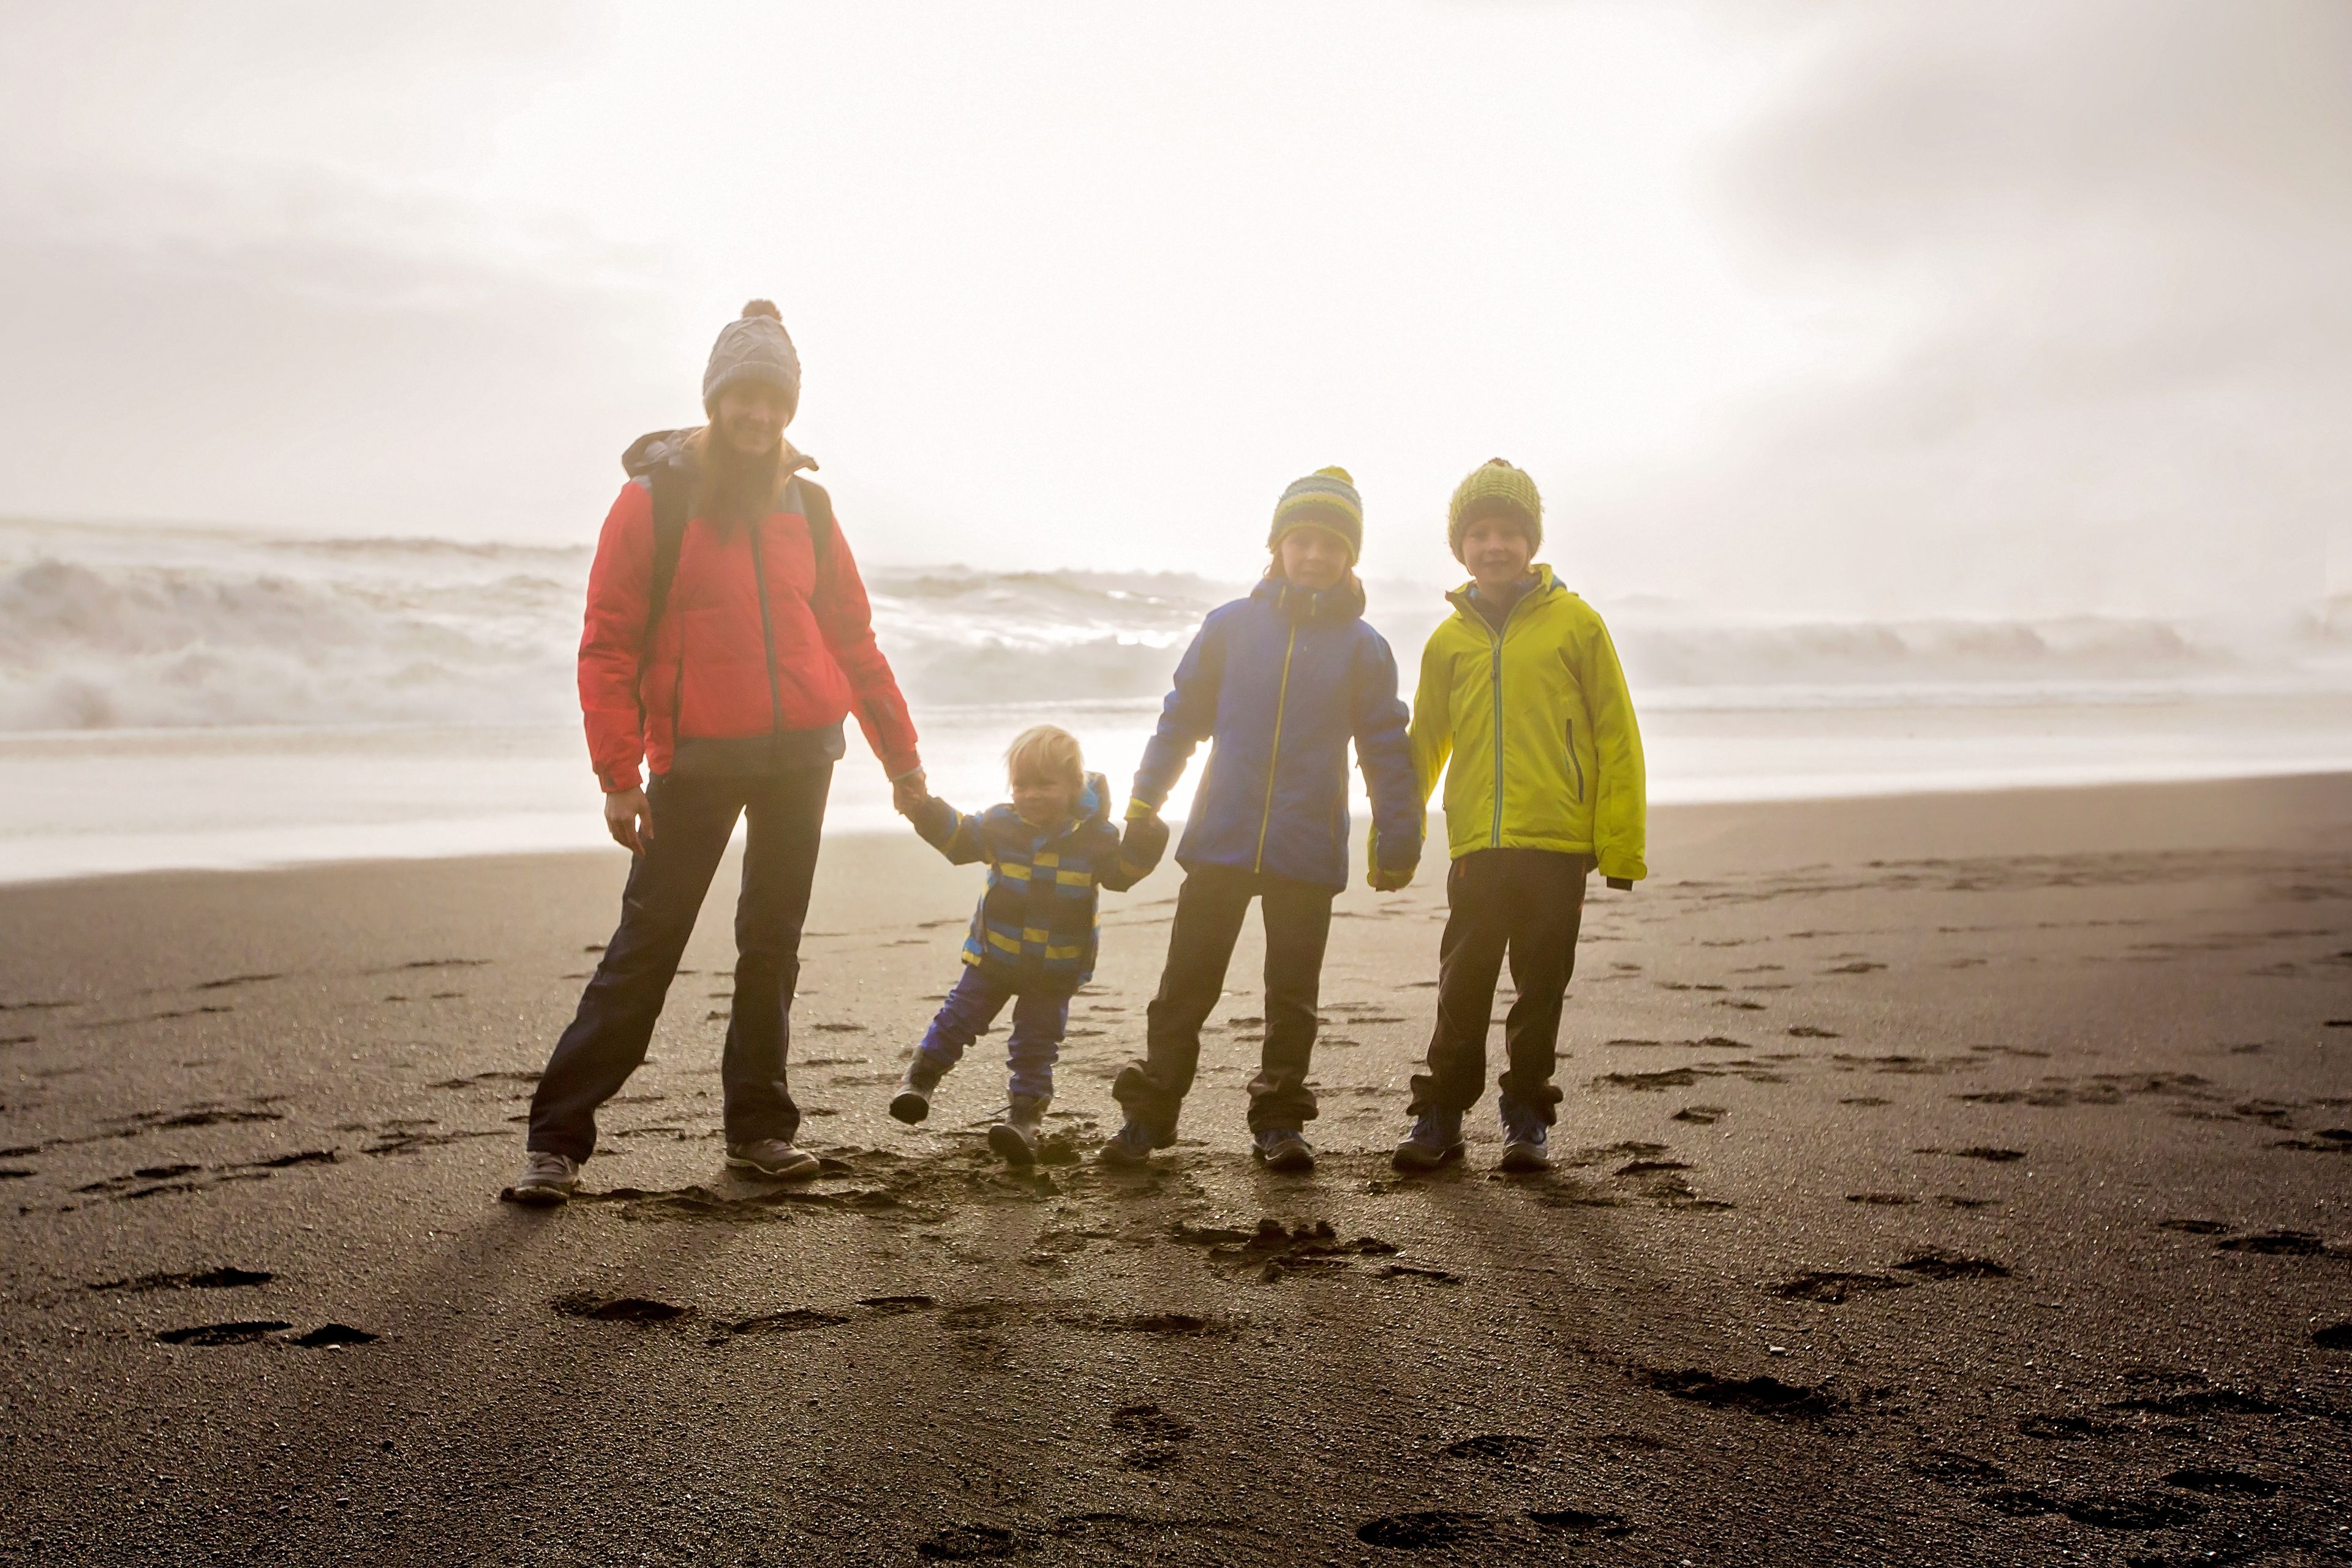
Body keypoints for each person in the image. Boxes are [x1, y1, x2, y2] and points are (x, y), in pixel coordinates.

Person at [508, 300, 926, 1206]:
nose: (760, 417)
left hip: (803, 757)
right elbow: (608, 643)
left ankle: (761, 1134)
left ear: (791, 407)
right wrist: (618, 776)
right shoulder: (655, 499)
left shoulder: (808, 505)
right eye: (744, 397)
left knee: (771, 948)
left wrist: (903, 759)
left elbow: (854, 639)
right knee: (647, 946)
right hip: (694, 761)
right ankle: (557, 1143)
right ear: (715, 398)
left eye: (775, 401)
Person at [1102, 467, 1422, 1174]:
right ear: (1277, 545)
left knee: (1292, 997)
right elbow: (1180, 719)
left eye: (1331, 545)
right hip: (1219, 837)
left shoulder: (1364, 647)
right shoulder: (1229, 627)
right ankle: (1150, 1112)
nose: (1314, 555)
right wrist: (1144, 799)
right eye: (1302, 540)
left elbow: (1385, 747)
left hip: (1307, 848)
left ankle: (1279, 1120)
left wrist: (1399, 834)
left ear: (1350, 557)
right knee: (1183, 988)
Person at [1390, 459, 1647, 1175]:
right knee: (1462, 984)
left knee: (1541, 987)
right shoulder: (1449, 641)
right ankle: (1440, 1112)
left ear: (1530, 540)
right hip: (1477, 844)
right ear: (1460, 547)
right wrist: (1397, 834)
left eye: (1508, 531)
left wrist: (1619, 844)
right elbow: (1425, 743)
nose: (1494, 545)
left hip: (1557, 846)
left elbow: (1616, 735)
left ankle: (1527, 1116)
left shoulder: (1576, 623)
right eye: (1479, 533)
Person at [888, 726, 1166, 1165]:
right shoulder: (1000, 824)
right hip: (993, 957)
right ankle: (919, 1082)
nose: (1031, 795)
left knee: (1035, 1046)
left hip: (1055, 969)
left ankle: (1024, 1120)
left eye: (1045, 784)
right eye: (1022, 785)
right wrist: (923, 808)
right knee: (957, 1019)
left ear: (1075, 785)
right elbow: (959, 839)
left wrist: (1148, 836)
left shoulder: (1096, 837)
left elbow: (1122, 875)